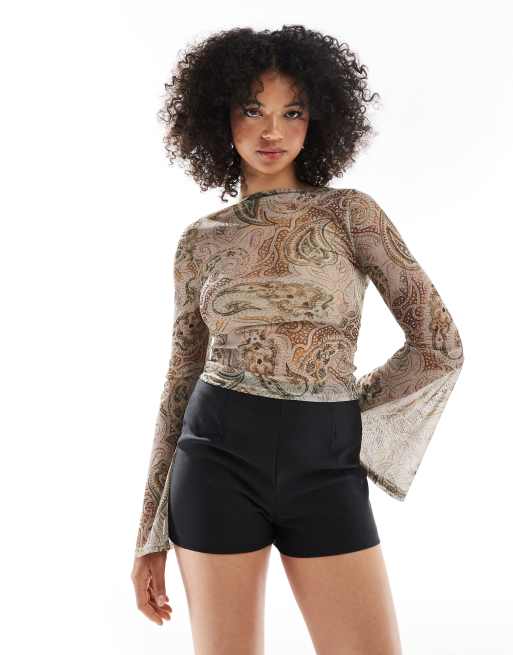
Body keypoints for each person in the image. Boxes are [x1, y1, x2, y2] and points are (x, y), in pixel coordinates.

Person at [131, 25, 464, 654]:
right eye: (252, 109)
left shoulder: (350, 214)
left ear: (318, 120)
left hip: (325, 462)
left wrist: (344, 410)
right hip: (215, 460)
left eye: (293, 112)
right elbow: (181, 377)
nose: (272, 131)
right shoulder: (200, 240)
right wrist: (148, 533)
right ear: (219, 115)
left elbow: (439, 343)